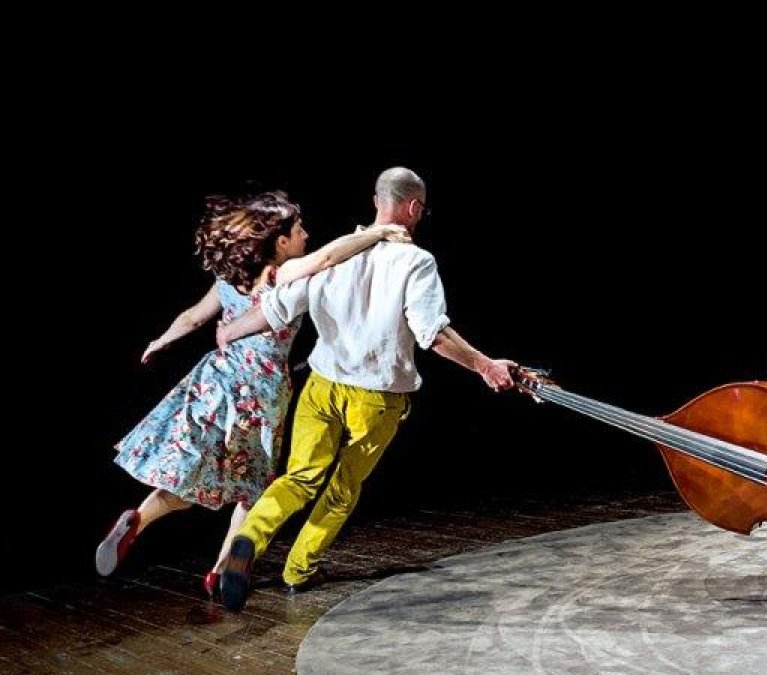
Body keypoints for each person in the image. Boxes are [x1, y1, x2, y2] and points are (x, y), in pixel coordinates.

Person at [215, 167, 515, 611]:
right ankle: (299, 569)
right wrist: (485, 366)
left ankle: (249, 541)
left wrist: (229, 332)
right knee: (342, 487)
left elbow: (275, 312)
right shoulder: (416, 262)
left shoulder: (333, 255)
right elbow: (433, 334)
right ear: (414, 207)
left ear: (377, 201)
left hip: (321, 387)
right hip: (374, 398)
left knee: (298, 478)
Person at [97, 190, 410, 597]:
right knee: (253, 489)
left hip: (216, 379)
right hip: (260, 393)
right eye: (298, 231)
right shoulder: (282, 275)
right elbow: (331, 256)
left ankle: (139, 518)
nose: (306, 235)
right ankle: (221, 570)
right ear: (280, 242)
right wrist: (379, 231)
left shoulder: (228, 277)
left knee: (190, 476)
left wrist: (162, 339)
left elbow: (193, 318)